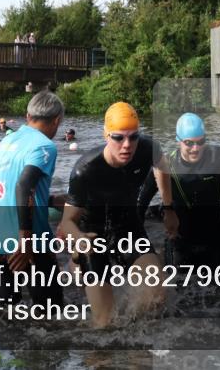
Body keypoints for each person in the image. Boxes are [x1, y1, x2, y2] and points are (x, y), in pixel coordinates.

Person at [58, 102, 171, 328]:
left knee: (158, 296)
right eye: (118, 138)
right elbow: (66, 223)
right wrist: (78, 239)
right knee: (104, 323)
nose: (127, 145)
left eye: (133, 137)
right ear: (106, 135)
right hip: (92, 237)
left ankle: (134, 334)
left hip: (127, 226)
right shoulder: (85, 170)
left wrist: (169, 208)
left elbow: (162, 164)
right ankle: (76, 262)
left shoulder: (148, 149)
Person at [138, 113, 220, 269]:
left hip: (214, 242)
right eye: (189, 143)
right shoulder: (166, 165)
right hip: (179, 242)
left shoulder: (219, 157)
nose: (195, 148)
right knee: (177, 291)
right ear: (178, 141)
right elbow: (140, 205)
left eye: (201, 142)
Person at [0, 91, 65, 309]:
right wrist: (25, 240)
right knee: (52, 315)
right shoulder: (44, 146)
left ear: (28, 115)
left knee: (7, 316)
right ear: (57, 120)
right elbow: (23, 185)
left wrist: (49, 200)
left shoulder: (7, 140)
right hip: (28, 244)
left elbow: (12, 187)